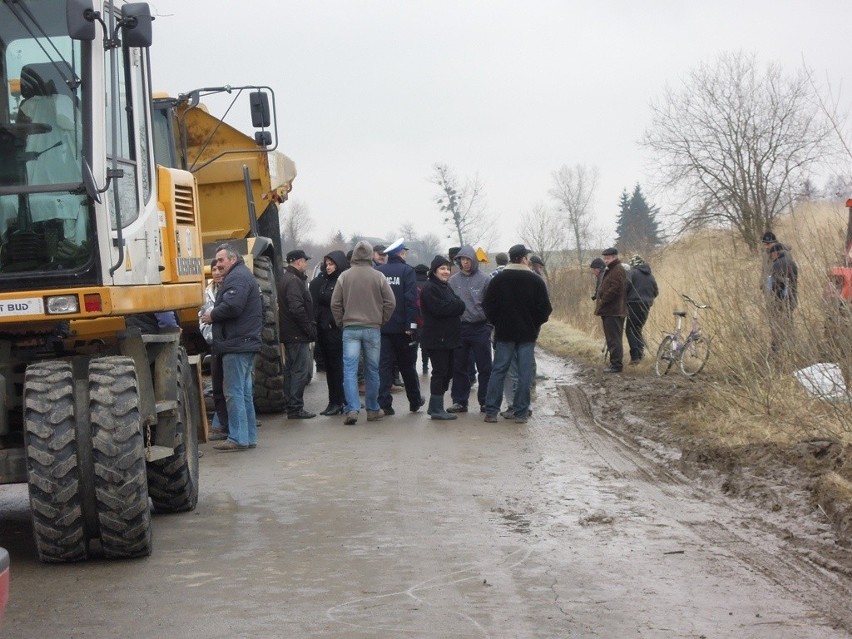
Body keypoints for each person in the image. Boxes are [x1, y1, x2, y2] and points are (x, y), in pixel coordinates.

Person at [201, 243, 262, 451]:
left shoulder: (237, 278)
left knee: (234, 392)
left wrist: (212, 315)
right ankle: (249, 437)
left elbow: (233, 306)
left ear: (233, 259)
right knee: (243, 393)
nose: (217, 264)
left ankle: (237, 438)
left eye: (220, 260)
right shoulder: (243, 275)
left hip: (235, 344)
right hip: (243, 343)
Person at [482, 244, 551, 423]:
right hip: (527, 334)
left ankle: (491, 412)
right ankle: (521, 413)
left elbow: (488, 306)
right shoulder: (535, 280)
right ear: (523, 259)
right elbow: (545, 310)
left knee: (499, 371)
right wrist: (533, 324)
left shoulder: (498, 280)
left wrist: (498, 323)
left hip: (504, 333)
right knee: (524, 373)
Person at [331, 240, 396, 425]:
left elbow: (335, 303)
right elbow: (390, 302)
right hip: (372, 329)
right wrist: (381, 320)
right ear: (369, 255)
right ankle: (373, 409)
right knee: (372, 371)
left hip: (350, 329)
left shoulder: (344, 276)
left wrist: (341, 322)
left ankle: (352, 409)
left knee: (349, 371)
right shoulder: (378, 276)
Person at [375, 238, 424, 415]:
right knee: (407, 366)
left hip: (383, 327)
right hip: (403, 328)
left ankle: (384, 404)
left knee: (385, 366)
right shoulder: (407, 271)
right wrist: (411, 325)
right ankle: (415, 401)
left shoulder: (379, 271)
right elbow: (411, 300)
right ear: (401, 253)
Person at [447, 244, 492, 413]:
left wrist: (489, 325)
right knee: (459, 367)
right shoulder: (453, 281)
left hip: (480, 328)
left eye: (468, 259)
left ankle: (486, 401)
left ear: (474, 260)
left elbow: (491, 304)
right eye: (462, 260)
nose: (465, 263)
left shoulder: (485, 280)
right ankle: (459, 401)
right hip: (460, 329)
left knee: (485, 366)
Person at [420, 255, 466, 420]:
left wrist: (456, 306)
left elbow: (459, 304)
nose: (446, 271)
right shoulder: (430, 288)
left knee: (448, 372)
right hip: (436, 338)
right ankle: (438, 409)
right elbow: (440, 309)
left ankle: (434, 406)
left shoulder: (446, 287)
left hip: (449, 338)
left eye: (447, 268)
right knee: (440, 372)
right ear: (434, 271)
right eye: (442, 268)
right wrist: (456, 306)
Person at [278, 249, 317, 419]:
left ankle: (291, 405)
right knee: (298, 371)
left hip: (291, 333)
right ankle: (295, 407)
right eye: (305, 261)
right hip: (296, 334)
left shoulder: (287, 278)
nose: (306, 264)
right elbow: (296, 308)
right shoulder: (294, 281)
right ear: (299, 262)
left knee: (291, 370)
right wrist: (308, 328)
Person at [310, 250, 350, 416]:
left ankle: (340, 401)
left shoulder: (343, 281)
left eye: (332, 264)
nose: (328, 267)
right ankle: (335, 400)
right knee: (332, 369)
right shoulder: (323, 281)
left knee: (339, 368)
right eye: (326, 264)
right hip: (325, 331)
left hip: (337, 330)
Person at [199, 258, 228, 439]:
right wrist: (211, 336)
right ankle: (221, 425)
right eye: (214, 269)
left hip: (231, 343)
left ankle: (230, 426)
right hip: (215, 344)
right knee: (218, 388)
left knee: (233, 388)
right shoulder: (207, 292)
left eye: (219, 269)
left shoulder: (233, 289)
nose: (216, 272)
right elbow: (202, 317)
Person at [595, 247, 628, 373]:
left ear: (614, 257)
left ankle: (616, 365)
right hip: (611, 310)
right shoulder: (613, 269)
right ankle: (614, 363)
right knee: (612, 338)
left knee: (614, 338)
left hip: (613, 310)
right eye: (605, 258)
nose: (605, 261)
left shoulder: (617, 269)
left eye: (608, 258)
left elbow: (616, 288)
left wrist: (604, 300)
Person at [625, 254, 659, 364]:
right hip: (646, 305)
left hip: (633, 304)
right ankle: (640, 354)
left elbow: (626, 287)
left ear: (633, 264)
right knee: (638, 328)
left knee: (630, 329)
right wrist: (648, 299)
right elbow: (656, 292)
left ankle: (635, 357)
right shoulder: (650, 276)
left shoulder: (632, 273)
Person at [768, 242, 799, 353]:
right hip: (792, 298)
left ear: (776, 252)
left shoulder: (777, 264)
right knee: (789, 321)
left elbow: (775, 283)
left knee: (778, 323)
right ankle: (791, 345)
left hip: (780, 299)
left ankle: (777, 348)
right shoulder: (793, 263)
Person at [414, 263, 430, 374]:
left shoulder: (411, 284)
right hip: (427, 320)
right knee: (425, 346)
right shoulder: (429, 285)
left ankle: (413, 366)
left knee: (414, 345)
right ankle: (425, 366)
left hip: (414, 319)